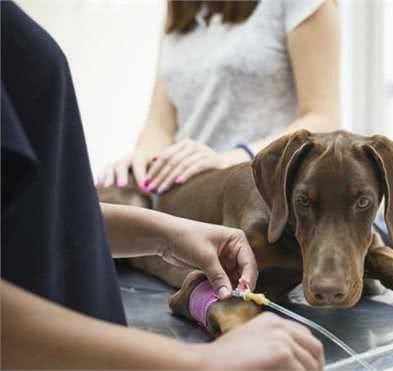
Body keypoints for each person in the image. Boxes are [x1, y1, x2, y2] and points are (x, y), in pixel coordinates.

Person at [0, 2, 323, 369]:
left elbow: (27, 219)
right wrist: (196, 362)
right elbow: (159, 123)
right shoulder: (181, 13)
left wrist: (163, 233)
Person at [98, 0, 340, 195]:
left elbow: (322, 118)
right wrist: (143, 162)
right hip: (189, 193)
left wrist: (228, 159)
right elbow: (160, 124)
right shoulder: (182, 10)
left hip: (257, 189)